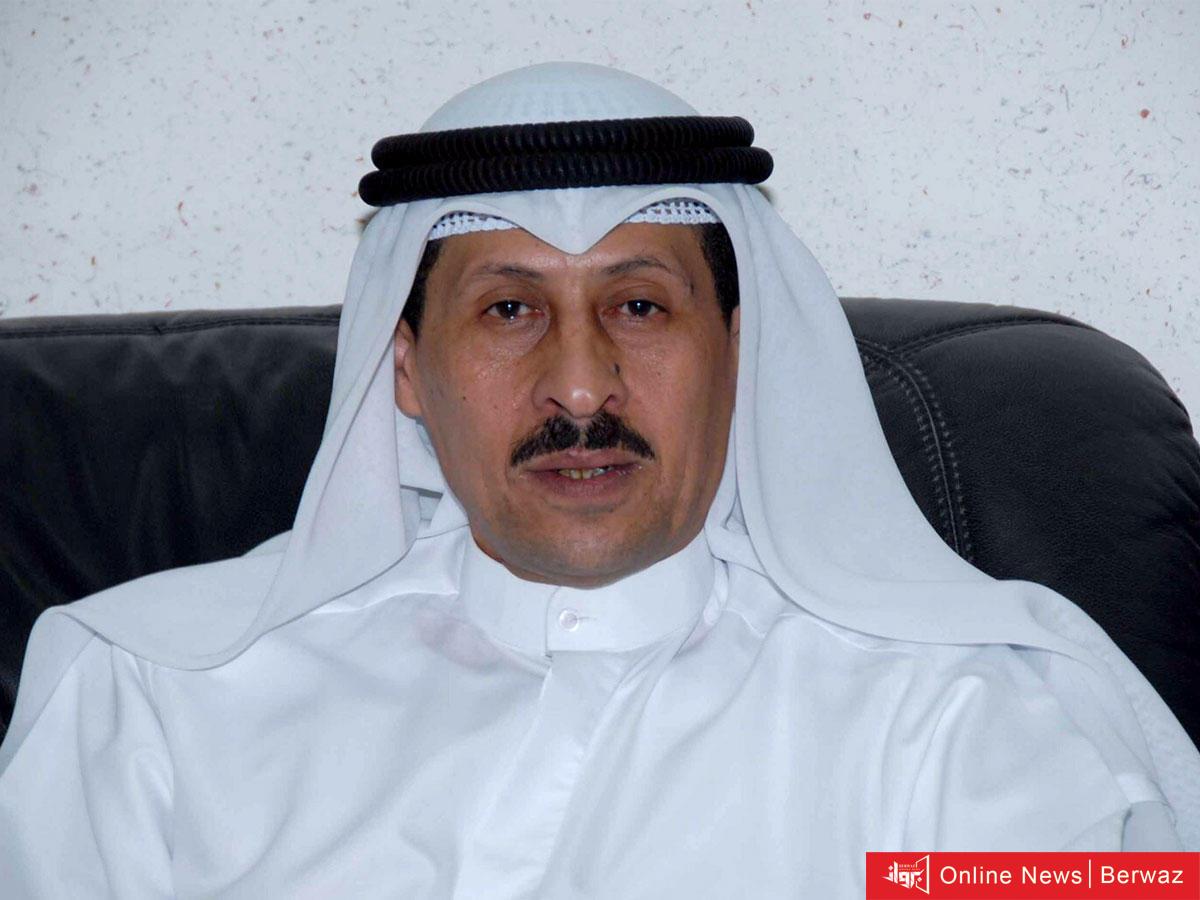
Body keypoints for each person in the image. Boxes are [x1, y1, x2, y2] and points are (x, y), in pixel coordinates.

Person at [1, 61, 1197, 898]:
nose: (580, 386)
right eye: (509, 309)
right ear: (405, 369)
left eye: (639, 305)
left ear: (742, 356)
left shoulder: (965, 722)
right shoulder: (153, 702)